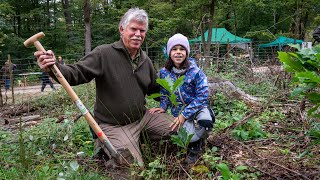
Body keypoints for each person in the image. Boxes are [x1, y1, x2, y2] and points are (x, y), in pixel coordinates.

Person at [34, 8, 173, 165]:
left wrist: (170, 98)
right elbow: (77, 72)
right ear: (122, 29)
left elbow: (155, 89)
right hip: (114, 126)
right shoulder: (104, 53)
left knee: (180, 130)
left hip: (143, 118)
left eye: (142, 30)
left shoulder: (144, 60)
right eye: (133, 29)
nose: (138, 34)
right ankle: (106, 147)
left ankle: (138, 138)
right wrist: (54, 67)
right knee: (131, 167)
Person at [149, 33, 214, 164]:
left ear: (187, 52)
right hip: (178, 110)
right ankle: (194, 143)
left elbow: (202, 95)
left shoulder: (196, 71)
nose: (178, 52)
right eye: (174, 49)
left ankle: (197, 144)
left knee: (206, 121)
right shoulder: (164, 72)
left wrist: (184, 115)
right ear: (169, 52)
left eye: (182, 49)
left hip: (196, 107)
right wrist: (163, 107)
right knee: (186, 136)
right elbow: (165, 91)